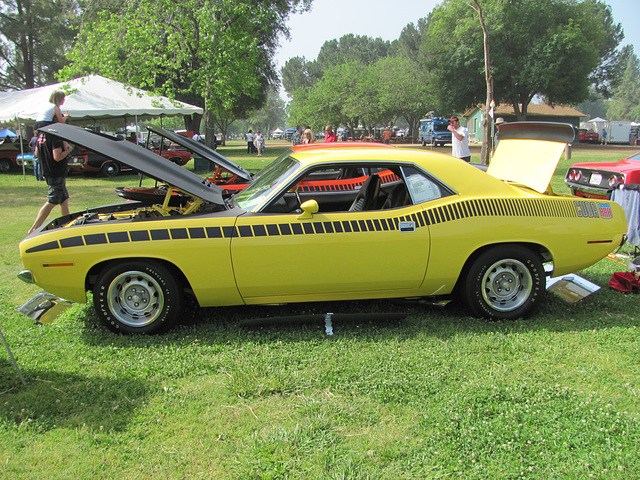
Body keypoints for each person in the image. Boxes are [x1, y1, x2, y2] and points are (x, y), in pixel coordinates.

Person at [28, 131, 74, 234]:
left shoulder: (42, 135)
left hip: (48, 170)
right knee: (52, 200)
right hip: (55, 172)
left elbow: (36, 153)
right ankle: (34, 229)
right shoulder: (56, 137)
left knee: (64, 199)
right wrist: (69, 150)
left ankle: (67, 224)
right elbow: (57, 157)